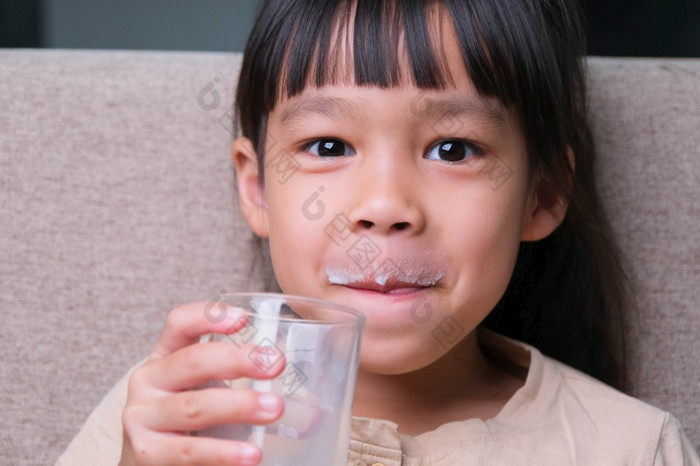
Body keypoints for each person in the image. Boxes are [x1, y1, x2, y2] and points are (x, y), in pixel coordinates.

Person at [59, 0, 700, 464]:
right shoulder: (170, 420)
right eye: (329, 143)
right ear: (256, 188)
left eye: (453, 149)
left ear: (544, 194)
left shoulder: (632, 447)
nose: (385, 205)